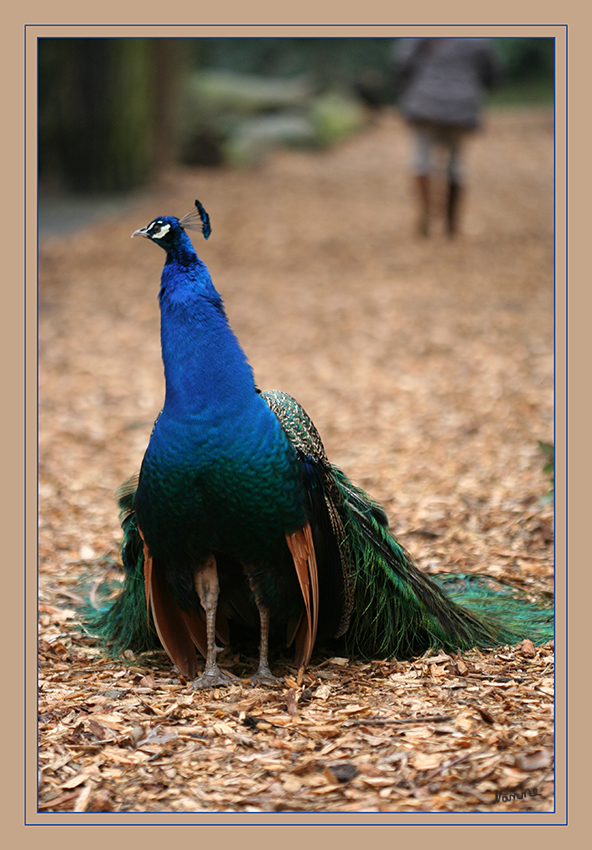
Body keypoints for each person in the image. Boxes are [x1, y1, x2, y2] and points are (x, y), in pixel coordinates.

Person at [392, 38, 501, 237]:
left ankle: (425, 210)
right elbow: (491, 69)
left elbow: (402, 62)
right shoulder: (477, 36)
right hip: (462, 105)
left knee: (421, 160)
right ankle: (451, 223)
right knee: (456, 163)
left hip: (424, 102)